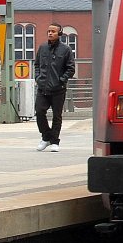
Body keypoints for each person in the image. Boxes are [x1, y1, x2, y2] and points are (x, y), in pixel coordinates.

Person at [33, 22, 75, 152]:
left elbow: (70, 68)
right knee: (39, 112)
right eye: (49, 31)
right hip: (43, 87)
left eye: (53, 31)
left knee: (57, 116)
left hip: (58, 89)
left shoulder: (66, 49)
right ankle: (46, 137)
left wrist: (61, 80)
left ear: (59, 34)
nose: (50, 33)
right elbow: (37, 65)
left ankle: (55, 141)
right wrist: (38, 78)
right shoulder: (43, 47)